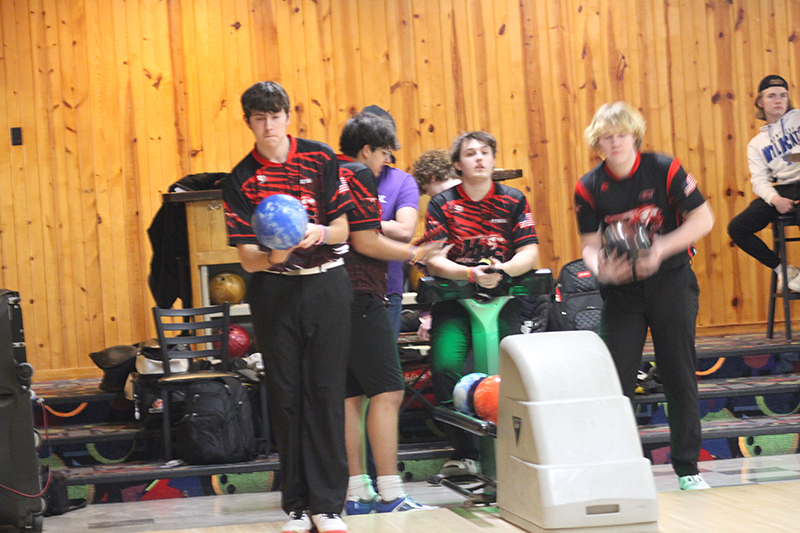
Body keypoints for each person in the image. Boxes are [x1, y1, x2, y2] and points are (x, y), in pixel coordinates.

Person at [222, 81, 352, 533]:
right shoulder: (239, 178)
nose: (269, 126)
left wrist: (317, 231)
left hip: (327, 286)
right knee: (286, 397)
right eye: (259, 118)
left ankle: (329, 505)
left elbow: (343, 227)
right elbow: (246, 258)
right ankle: (297, 505)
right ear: (248, 123)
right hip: (275, 292)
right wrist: (276, 253)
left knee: (326, 394)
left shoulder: (320, 158)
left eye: (275, 116)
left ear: (288, 116)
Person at [574, 101, 715, 491]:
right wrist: (600, 267)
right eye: (607, 136)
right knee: (614, 379)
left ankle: (687, 468)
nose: (615, 142)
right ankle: (617, 465)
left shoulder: (664, 168)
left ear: (634, 135)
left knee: (678, 373)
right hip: (621, 293)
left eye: (622, 134)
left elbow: (704, 219)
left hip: (671, 283)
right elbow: (589, 244)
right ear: (597, 142)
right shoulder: (587, 186)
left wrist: (660, 250)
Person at [336, 112, 443, 514]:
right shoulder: (361, 176)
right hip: (362, 295)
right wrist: (416, 252)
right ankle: (390, 492)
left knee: (351, 396)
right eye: (384, 153)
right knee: (388, 390)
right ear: (367, 150)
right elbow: (366, 242)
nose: (386, 161)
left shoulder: (329, 173)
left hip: (331, 297)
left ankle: (356, 492)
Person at [422, 131, 539, 477]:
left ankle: (517, 451)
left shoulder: (514, 199)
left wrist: (502, 270)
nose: (479, 158)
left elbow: (530, 252)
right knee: (445, 367)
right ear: (457, 164)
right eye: (470, 153)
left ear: (492, 158)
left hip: (504, 299)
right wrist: (470, 273)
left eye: (485, 152)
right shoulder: (442, 204)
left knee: (514, 370)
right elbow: (433, 261)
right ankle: (464, 450)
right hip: (456, 301)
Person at [728, 75, 800, 291]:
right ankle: (784, 271)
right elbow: (759, 180)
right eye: (771, 96)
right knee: (737, 227)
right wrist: (775, 199)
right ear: (760, 102)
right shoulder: (757, 144)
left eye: (783, 95)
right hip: (782, 190)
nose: (778, 100)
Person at [360, 106, 421, 339]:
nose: (385, 158)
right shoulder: (341, 176)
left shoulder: (402, 181)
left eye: (388, 151)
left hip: (387, 289)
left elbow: (405, 230)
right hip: (344, 290)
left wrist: (358, 223)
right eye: (380, 150)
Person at [411, 149, 462, 340]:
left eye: (425, 190)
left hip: (456, 296)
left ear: (432, 177)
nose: (428, 195)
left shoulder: (439, 205)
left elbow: (439, 261)